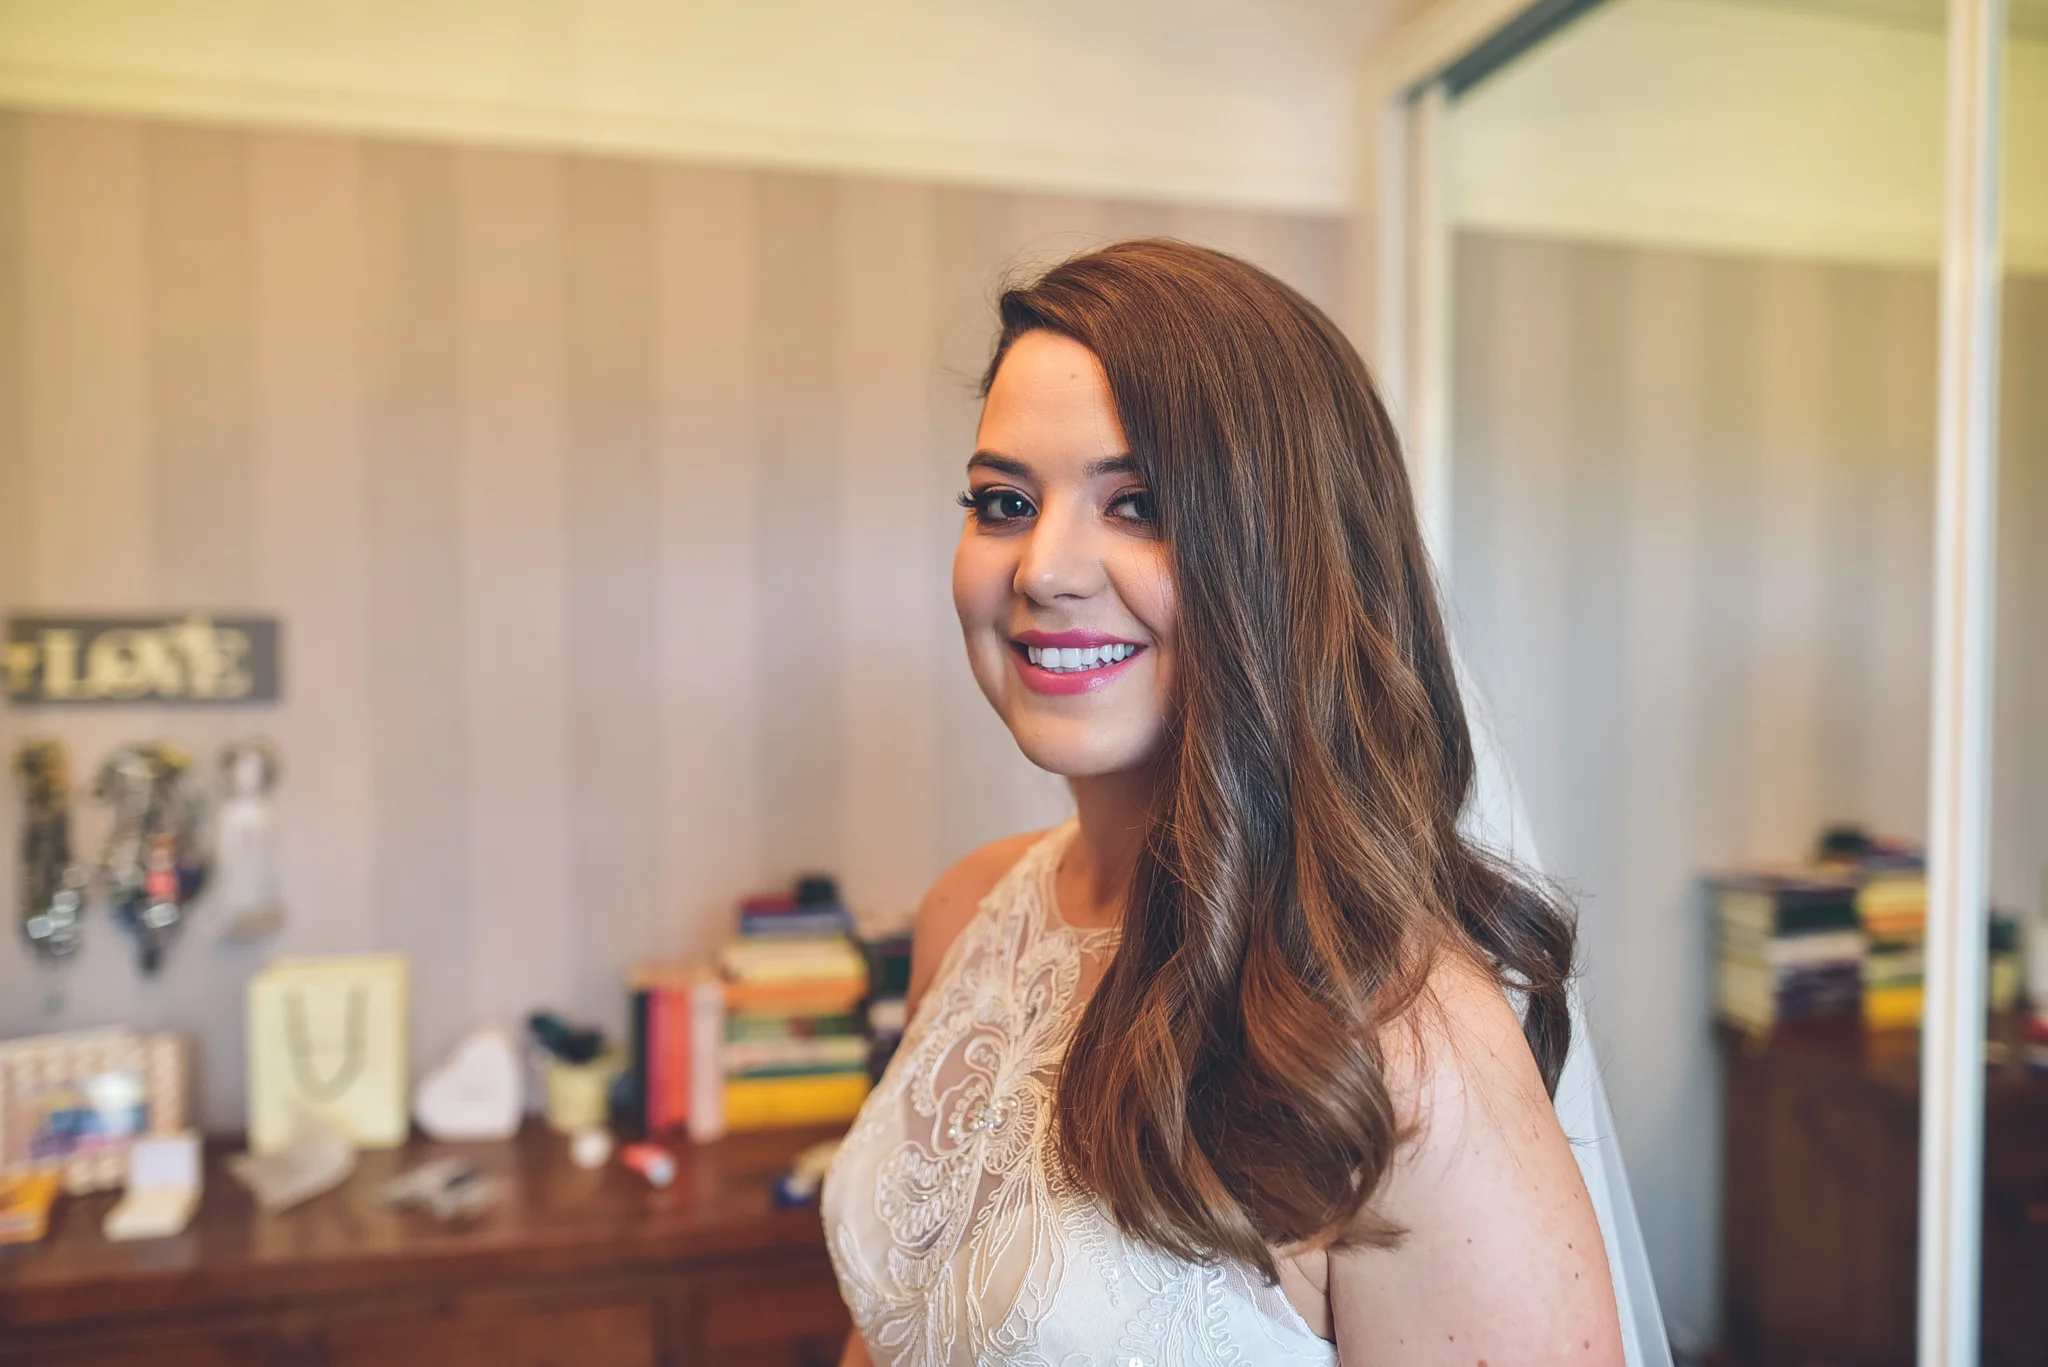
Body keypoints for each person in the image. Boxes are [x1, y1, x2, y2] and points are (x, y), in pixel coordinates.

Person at [821, 240, 1649, 1366]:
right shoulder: (964, 913)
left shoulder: (1402, 1045)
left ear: (1285, 557)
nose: (1043, 570)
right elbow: (905, 1319)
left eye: (1139, 504)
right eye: (1004, 501)